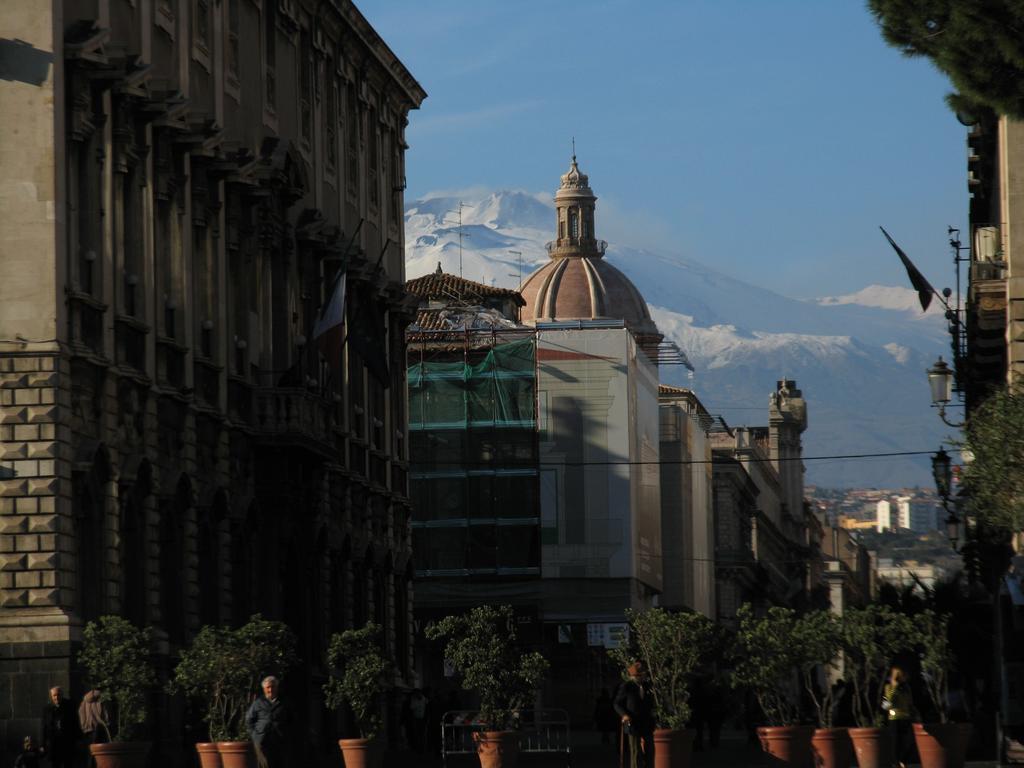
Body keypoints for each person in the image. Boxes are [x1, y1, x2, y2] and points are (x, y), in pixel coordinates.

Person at [614, 661, 655, 768]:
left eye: (644, 674)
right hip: (633, 723)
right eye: (641, 675)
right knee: (636, 752)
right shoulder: (627, 686)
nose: (643, 676)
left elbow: (651, 701)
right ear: (634, 676)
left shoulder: (648, 686)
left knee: (650, 750)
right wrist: (624, 715)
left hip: (647, 722)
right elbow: (617, 703)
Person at [245, 676, 292, 768]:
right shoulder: (258, 703)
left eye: (273, 687)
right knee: (265, 765)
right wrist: (255, 735)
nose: (270, 690)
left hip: (280, 740)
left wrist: (286, 733)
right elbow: (249, 720)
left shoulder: (284, 702)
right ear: (264, 689)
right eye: (268, 687)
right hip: (262, 740)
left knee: (279, 764)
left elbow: (291, 720)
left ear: (277, 688)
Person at [883, 665, 916, 768]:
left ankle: (902, 760)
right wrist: (894, 687)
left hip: (906, 718)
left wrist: (914, 713)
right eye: (899, 675)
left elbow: (910, 703)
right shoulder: (888, 687)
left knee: (909, 742)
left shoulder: (906, 688)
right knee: (896, 743)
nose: (902, 677)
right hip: (895, 718)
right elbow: (889, 701)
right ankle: (897, 764)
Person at [41, 686, 79, 768]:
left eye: (58, 695)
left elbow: (75, 723)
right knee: (55, 764)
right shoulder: (47, 709)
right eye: (54, 695)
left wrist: (77, 739)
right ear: (51, 696)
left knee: (68, 764)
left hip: (67, 742)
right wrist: (42, 744)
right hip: (54, 743)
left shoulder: (69, 706)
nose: (56, 697)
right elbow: (44, 726)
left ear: (62, 695)